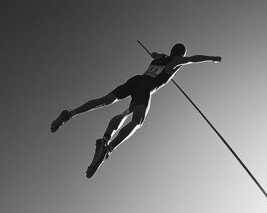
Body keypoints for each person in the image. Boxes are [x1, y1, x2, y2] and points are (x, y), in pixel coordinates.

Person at [51, 43, 222, 178]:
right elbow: (193, 59)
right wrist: (212, 58)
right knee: (137, 120)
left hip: (135, 80)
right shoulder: (175, 61)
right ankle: (108, 149)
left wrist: (155, 55)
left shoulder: (161, 57)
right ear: (181, 54)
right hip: (146, 87)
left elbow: (154, 54)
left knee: (110, 102)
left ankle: (70, 114)